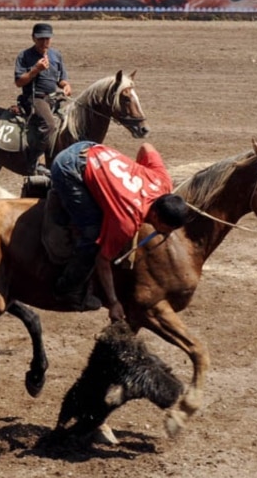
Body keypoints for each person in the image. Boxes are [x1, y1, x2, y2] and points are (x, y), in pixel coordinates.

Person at [50, 140, 188, 315]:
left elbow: (146, 146)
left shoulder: (163, 181)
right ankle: (68, 290)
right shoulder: (126, 222)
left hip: (89, 147)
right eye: (166, 227)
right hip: (68, 167)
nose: (168, 232)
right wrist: (114, 302)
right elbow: (103, 260)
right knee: (92, 235)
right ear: (155, 216)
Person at [14, 22, 71, 175]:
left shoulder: (56, 55)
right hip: (35, 98)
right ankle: (33, 161)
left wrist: (66, 85)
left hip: (54, 98)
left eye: (47, 39)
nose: (44, 42)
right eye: (40, 39)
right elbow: (19, 82)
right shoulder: (25, 56)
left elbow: (61, 78)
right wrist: (35, 70)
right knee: (49, 124)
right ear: (33, 38)